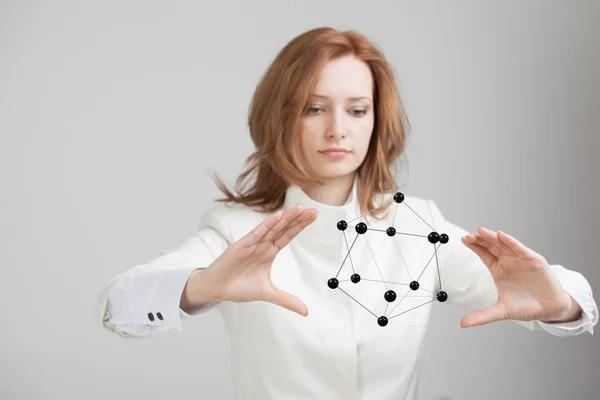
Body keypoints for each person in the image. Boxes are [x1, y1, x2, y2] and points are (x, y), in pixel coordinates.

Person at [96, 27, 598, 399]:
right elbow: (120, 306)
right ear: (280, 116)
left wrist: (560, 302)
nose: (338, 129)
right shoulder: (238, 231)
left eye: (357, 110)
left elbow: (567, 299)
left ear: (376, 120)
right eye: (314, 108)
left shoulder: (416, 227)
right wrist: (201, 286)